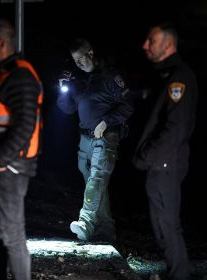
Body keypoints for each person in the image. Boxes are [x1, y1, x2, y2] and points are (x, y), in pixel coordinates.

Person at [0, 20, 43, 280]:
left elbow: (26, 123)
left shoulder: (19, 75)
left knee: (11, 234)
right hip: (2, 167)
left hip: (9, 169)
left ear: (1, 44)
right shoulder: (5, 73)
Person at [133, 23, 197, 280]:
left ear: (168, 44)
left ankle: (179, 274)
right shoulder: (167, 75)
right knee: (164, 225)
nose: (145, 45)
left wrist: (147, 157)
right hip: (164, 163)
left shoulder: (178, 77)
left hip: (165, 164)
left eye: (151, 40)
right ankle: (177, 273)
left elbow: (175, 129)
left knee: (166, 226)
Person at [57, 38, 133, 242]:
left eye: (81, 58)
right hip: (85, 139)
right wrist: (63, 88)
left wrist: (106, 122)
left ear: (91, 53)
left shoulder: (111, 77)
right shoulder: (79, 80)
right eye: (75, 60)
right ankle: (106, 230)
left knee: (97, 180)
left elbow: (128, 106)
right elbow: (67, 108)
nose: (79, 63)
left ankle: (86, 221)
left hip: (105, 137)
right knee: (95, 184)